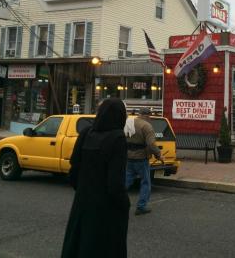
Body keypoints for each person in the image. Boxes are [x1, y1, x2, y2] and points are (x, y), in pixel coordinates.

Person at [61, 98, 129, 258]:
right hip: (105, 210)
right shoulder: (117, 138)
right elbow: (115, 184)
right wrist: (125, 203)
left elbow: (73, 171)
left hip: (82, 205)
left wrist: (84, 191)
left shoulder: (85, 133)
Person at [125, 107, 163, 215]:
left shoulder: (129, 123)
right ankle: (141, 206)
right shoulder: (146, 126)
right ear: (147, 115)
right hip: (141, 158)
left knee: (126, 181)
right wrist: (158, 155)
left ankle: (115, 201)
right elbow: (151, 144)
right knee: (145, 182)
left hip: (128, 157)